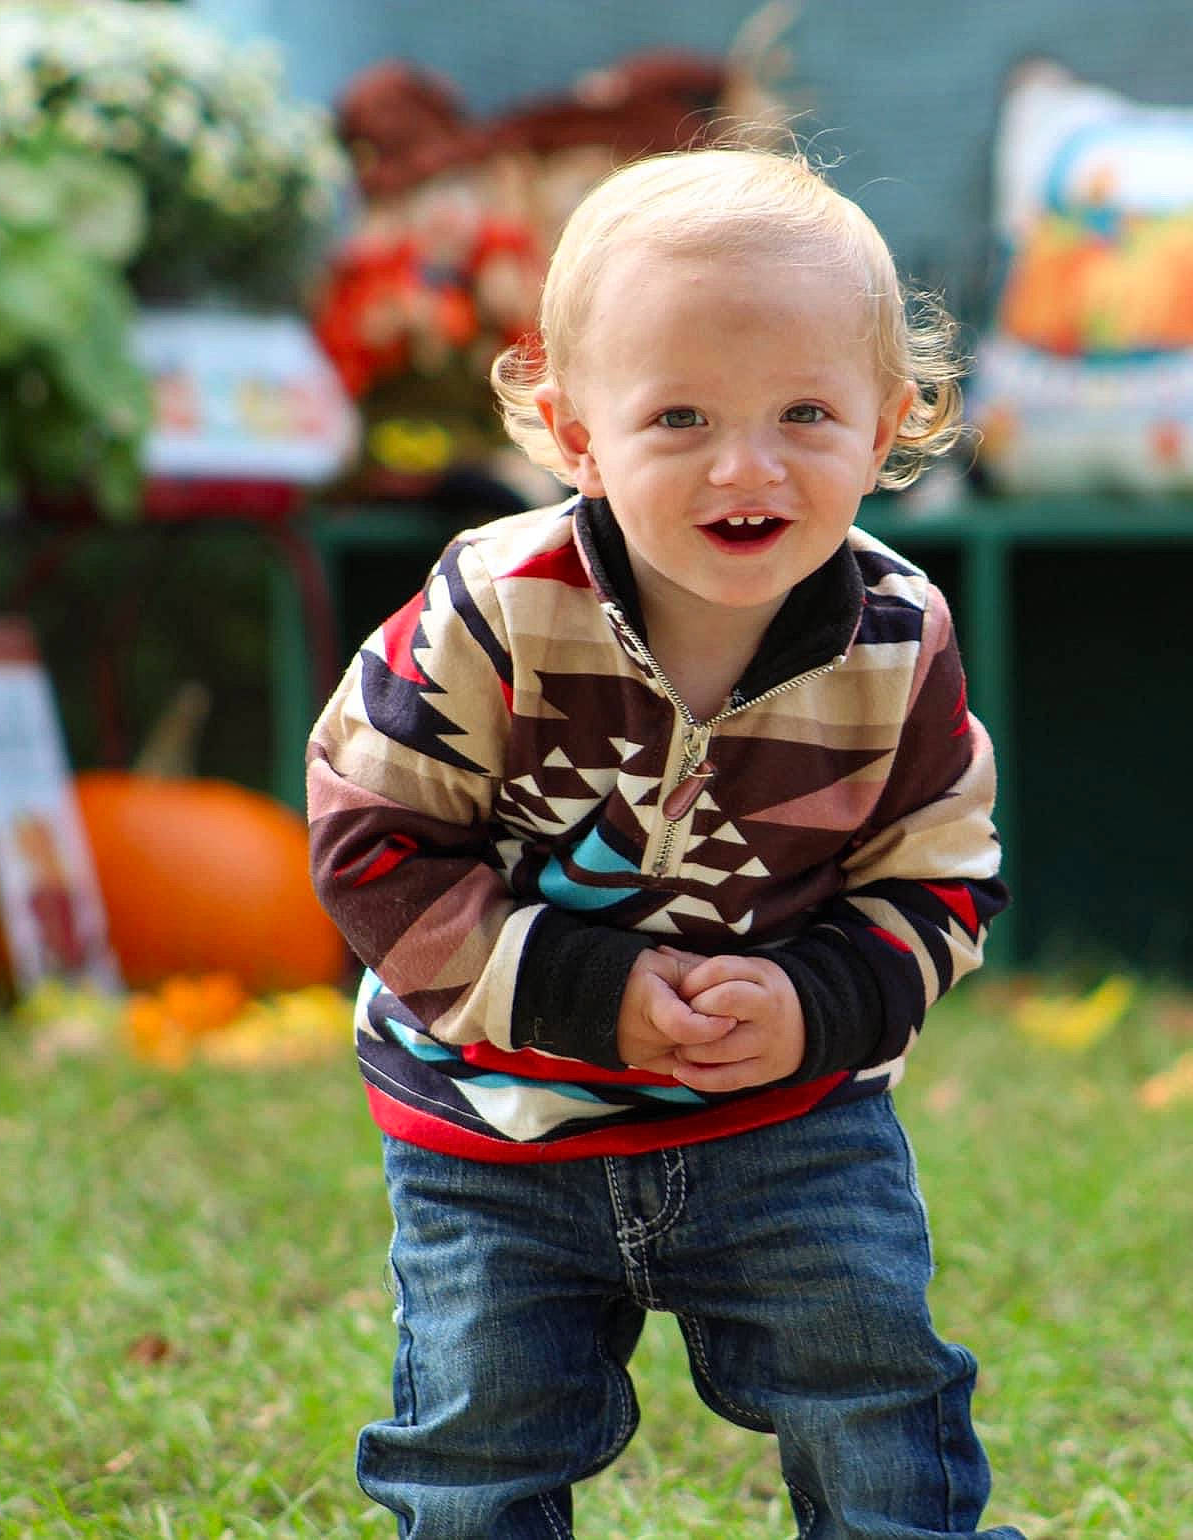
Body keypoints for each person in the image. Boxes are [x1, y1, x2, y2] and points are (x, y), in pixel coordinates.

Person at [307, 144, 1018, 1539]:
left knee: (875, 1394)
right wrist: (598, 995)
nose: (746, 465)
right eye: (679, 416)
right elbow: (371, 845)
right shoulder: (494, 613)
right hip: (498, 1121)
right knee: (477, 1442)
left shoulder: (895, 641)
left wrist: (814, 1005)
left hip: (788, 1120)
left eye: (806, 412)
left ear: (889, 425)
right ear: (575, 434)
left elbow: (940, 876)